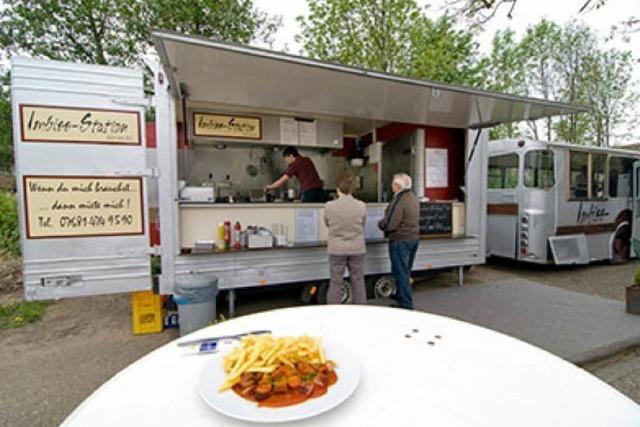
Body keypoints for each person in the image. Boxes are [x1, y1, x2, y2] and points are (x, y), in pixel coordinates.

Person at [323, 171, 367, 304]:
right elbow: (362, 224)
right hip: (357, 248)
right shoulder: (361, 205)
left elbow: (327, 223)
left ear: (337, 188)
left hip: (337, 249)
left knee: (336, 282)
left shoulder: (329, 206)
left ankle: (334, 312)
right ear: (353, 188)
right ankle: (360, 310)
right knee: (358, 281)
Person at [377, 173, 419, 309]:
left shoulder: (399, 199)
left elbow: (392, 222)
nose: (391, 186)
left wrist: (381, 224)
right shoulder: (413, 198)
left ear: (397, 186)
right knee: (405, 271)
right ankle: (401, 295)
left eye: (393, 184)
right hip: (413, 238)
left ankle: (406, 304)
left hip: (400, 240)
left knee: (400, 272)